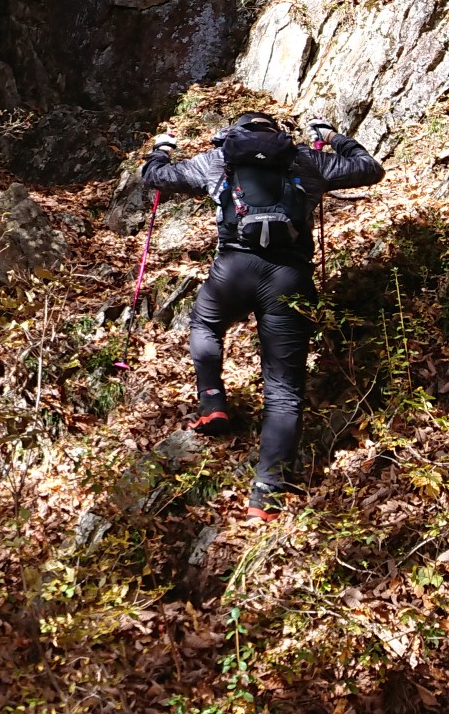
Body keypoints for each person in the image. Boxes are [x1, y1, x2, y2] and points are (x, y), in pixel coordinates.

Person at [141, 112, 384, 522]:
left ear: (234, 132)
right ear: (278, 134)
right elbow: (370, 170)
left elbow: (155, 177)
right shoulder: (306, 159)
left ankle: (212, 400)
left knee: (205, 323)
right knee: (284, 392)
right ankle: (266, 496)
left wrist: (161, 149)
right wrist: (334, 138)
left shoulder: (218, 159)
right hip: (289, 278)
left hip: (233, 269)